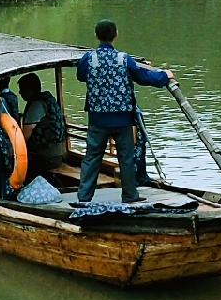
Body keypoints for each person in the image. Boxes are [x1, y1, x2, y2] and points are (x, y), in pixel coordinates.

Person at [73, 20, 174, 204]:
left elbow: (80, 76)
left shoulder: (89, 58)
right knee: (126, 159)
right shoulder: (124, 58)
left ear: (96, 35)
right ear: (116, 35)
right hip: (122, 119)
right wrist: (164, 75)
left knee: (91, 158)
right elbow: (143, 77)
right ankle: (129, 196)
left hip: (97, 119)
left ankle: (84, 198)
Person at [15, 72, 67, 178]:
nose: (20, 92)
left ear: (30, 90)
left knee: (14, 160)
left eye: (22, 89)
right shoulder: (48, 99)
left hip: (46, 156)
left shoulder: (37, 104)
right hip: (57, 152)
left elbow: (26, 134)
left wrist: (13, 149)